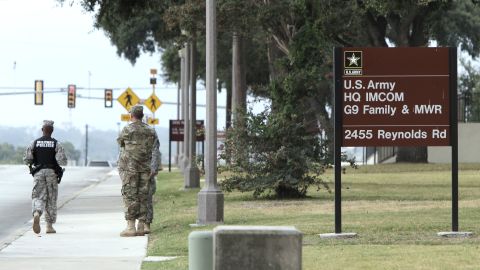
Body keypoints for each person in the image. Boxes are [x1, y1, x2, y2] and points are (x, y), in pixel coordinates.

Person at [117, 105, 159, 237]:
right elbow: (155, 148)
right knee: (143, 196)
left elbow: (121, 143)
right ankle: (141, 226)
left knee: (130, 195)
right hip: (145, 168)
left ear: (131, 115)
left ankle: (130, 227)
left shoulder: (127, 129)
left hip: (130, 169)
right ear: (142, 115)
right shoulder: (150, 130)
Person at [23, 120, 67, 234]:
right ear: (52, 131)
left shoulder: (34, 143)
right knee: (51, 199)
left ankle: (37, 212)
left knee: (38, 196)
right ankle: (49, 226)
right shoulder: (56, 143)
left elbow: (27, 159)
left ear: (42, 130)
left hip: (38, 173)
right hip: (51, 173)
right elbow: (62, 161)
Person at [145, 139, 161, 234]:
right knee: (133, 197)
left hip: (147, 170)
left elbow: (155, 152)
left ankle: (146, 224)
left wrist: (153, 168)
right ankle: (132, 224)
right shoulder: (127, 131)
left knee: (147, 197)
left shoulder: (150, 133)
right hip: (132, 170)